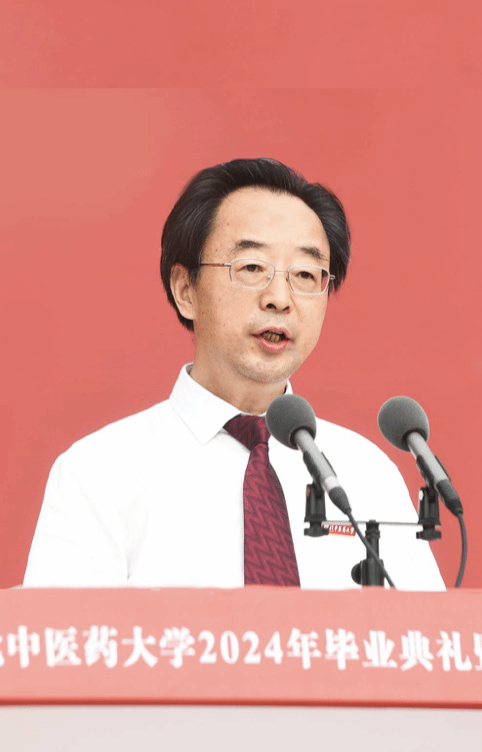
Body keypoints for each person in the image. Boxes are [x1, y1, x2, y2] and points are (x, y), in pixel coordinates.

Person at [23, 158, 444, 591]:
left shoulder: (366, 475)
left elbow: (428, 631)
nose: (279, 298)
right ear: (186, 290)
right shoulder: (100, 472)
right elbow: (63, 634)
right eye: (251, 268)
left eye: (305, 274)